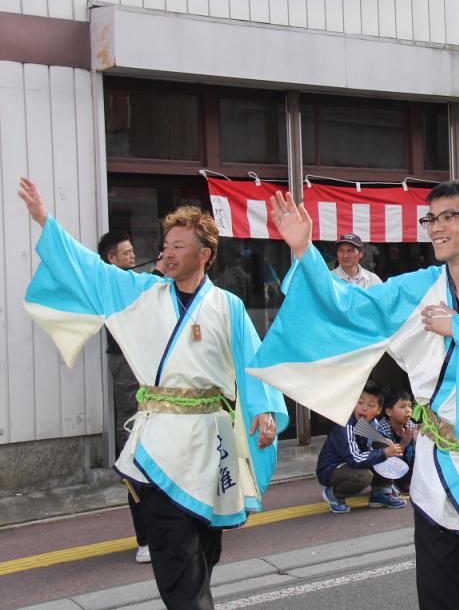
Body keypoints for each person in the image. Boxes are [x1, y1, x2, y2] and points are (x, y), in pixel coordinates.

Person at [249, 180, 459, 609]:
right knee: (438, 591)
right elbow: (351, 307)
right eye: (432, 219)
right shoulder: (417, 287)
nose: (437, 228)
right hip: (435, 455)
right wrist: (304, 252)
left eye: (450, 216)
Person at [19, 179, 288, 610]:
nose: (168, 251)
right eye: (166, 243)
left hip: (210, 442)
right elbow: (91, 271)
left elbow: (252, 364)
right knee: (175, 552)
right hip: (159, 441)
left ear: (205, 255)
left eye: (180, 245)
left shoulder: (227, 306)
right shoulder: (140, 294)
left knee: (205, 549)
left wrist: (266, 410)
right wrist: (45, 223)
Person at [97, 230, 150, 564]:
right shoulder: (109, 284)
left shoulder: (133, 281)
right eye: (126, 252)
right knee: (133, 445)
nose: (132, 256)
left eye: (133, 251)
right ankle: (144, 538)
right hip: (127, 365)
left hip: (143, 366)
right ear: (110, 259)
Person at [317, 384, 406, 513]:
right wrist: (385, 453)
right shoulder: (345, 426)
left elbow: (383, 447)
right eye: (360, 402)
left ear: (379, 409)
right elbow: (354, 459)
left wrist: (390, 446)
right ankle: (335, 495)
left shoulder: (374, 423)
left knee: (385, 445)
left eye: (371, 405)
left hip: (353, 464)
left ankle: (381, 493)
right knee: (363, 476)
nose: (364, 408)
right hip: (331, 469)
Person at [378, 388, 418, 494]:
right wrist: (403, 443)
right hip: (390, 470)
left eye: (410, 406)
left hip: (406, 468)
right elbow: (388, 460)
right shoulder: (381, 428)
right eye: (402, 406)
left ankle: (411, 483)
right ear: (389, 411)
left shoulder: (410, 425)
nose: (408, 410)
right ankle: (394, 485)